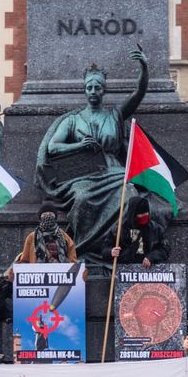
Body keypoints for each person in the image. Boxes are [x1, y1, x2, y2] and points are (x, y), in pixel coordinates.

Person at [36, 48, 167, 261]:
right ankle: (83, 249)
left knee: (131, 196)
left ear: (103, 90)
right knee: (82, 198)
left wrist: (144, 67)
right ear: (85, 91)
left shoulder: (115, 115)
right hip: (83, 174)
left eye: (97, 87)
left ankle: (126, 251)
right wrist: (78, 146)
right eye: (89, 87)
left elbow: (139, 93)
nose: (93, 90)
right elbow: (53, 147)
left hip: (114, 170)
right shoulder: (73, 120)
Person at [104, 193, 170, 267]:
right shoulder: (118, 229)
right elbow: (105, 249)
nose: (145, 216)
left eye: (146, 213)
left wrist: (151, 258)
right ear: (133, 214)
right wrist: (111, 252)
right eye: (141, 214)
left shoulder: (156, 229)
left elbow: (165, 249)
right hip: (124, 269)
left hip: (149, 270)